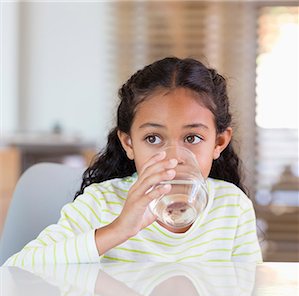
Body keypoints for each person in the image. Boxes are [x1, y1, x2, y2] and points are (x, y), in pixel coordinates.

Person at [4, 57, 262, 267]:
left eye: (192, 138)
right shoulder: (101, 203)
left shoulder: (232, 207)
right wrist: (118, 229)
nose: (173, 158)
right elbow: (19, 269)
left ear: (218, 142)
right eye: (153, 138)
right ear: (129, 143)